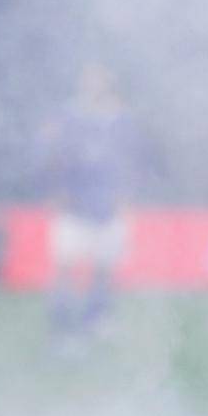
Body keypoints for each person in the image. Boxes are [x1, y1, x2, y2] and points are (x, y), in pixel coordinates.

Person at [38, 63, 143, 348]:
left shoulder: (120, 119)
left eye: (100, 79)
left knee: (104, 267)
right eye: (90, 79)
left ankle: (96, 319)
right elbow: (53, 156)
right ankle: (62, 328)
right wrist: (56, 190)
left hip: (107, 206)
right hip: (74, 205)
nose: (95, 84)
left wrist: (126, 196)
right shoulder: (68, 116)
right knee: (65, 267)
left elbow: (131, 160)